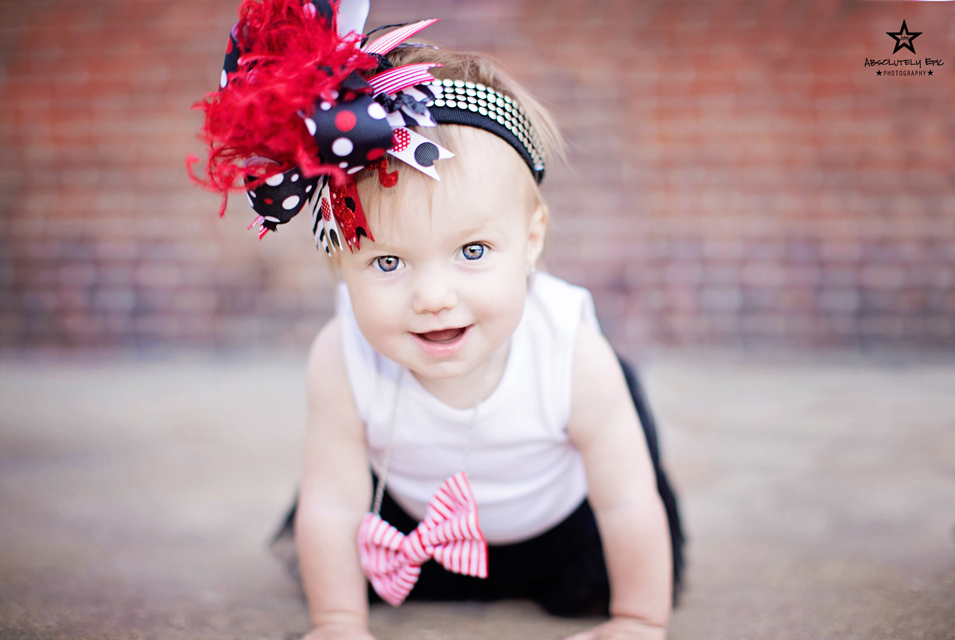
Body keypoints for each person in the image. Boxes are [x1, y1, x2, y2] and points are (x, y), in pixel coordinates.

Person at [191, 2, 684, 639]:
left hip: (562, 531)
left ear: (532, 240)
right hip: (415, 527)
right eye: (388, 261)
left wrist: (639, 620)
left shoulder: (570, 350)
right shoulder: (341, 357)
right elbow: (333, 503)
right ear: (341, 261)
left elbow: (626, 500)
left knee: (626, 454)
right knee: (345, 543)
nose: (432, 297)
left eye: (472, 252)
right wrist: (337, 621)